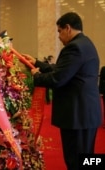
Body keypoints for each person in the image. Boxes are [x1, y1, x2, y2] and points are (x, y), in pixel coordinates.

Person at [23, 12, 102, 170]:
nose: (59, 36)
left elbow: (58, 78)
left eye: (59, 31)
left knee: (76, 160)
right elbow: (64, 69)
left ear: (68, 28)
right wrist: (37, 63)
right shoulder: (85, 43)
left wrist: (37, 76)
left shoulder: (74, 47)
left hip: (78, 115)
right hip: (85, 113)